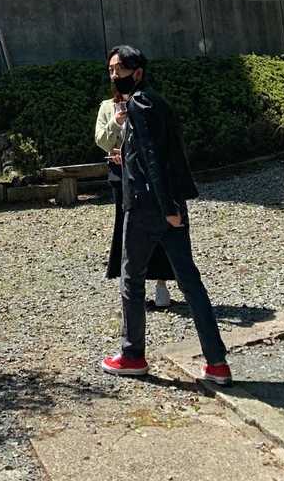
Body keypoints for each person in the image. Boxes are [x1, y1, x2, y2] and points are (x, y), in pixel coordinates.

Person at [101, 45, 231, 385]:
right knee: (190, 282)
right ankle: (217, 362)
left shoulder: (138, 104)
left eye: (119, 70)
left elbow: (154, 158)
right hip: (168, 203)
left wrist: (167, 207)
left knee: (132, 279)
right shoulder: (156, 102)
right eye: (111, 70)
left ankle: (132, 355)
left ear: (138, 72)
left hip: (147, 206)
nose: (114, 76)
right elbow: (160, 153)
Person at [95, 75, 174, 311]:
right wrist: (115, 123)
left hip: (147, 176)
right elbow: (101, 141)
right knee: (126, 229)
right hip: (120, 176)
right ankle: (131, 290)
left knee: (156, 225)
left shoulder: (145, 103)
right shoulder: (107, 107)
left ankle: (161, 284)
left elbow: (157, 139)